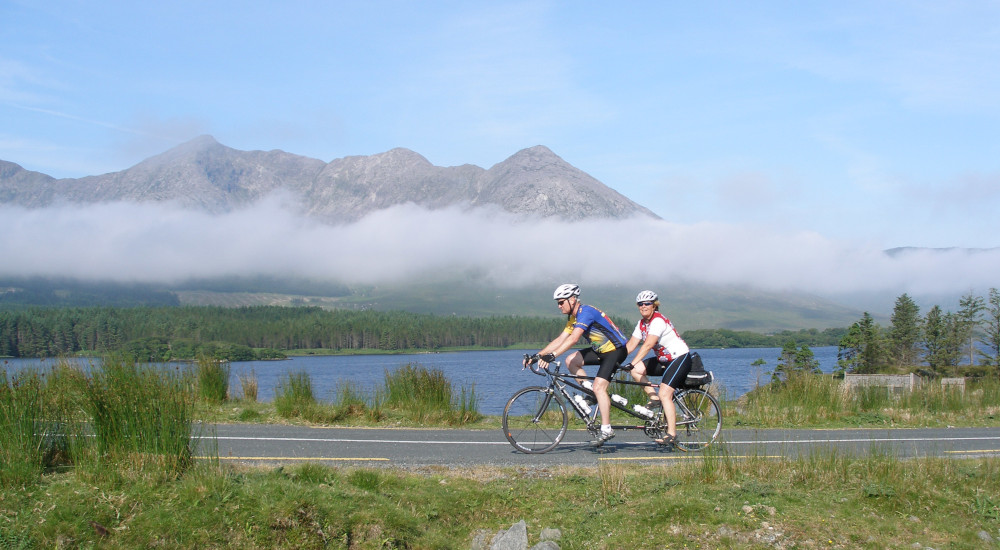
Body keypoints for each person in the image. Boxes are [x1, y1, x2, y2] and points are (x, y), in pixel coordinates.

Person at [525, 283, 628, 445]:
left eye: (561, 302)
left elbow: (573, 339)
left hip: (616, 350)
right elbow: (561, 339)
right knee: (570, 361)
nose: (559, 306)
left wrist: (551, 356)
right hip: (601, 350)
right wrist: (538, 356)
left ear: (572, 300)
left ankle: (607, 429)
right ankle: (591, 392)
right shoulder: (573, 317)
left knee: (600, 387)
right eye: (557, 303)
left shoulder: (585, 312)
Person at [621, 290, 692, 448]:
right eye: (640, 304)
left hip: (679, 357)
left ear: (654, 305)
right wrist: (615, 359)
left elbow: (648, 345)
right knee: (637, 370)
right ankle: (654, 399)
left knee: (665, 392)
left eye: (647, 303)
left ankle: (672, 434)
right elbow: (631, 345)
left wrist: (632, 362)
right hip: (663, 360)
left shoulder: (658, 321)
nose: (643, 306)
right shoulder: (641, 324)